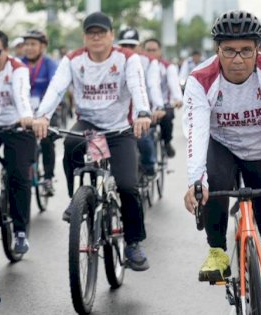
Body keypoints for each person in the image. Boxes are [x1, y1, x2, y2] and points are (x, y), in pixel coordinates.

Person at [182, 11, 261, 315]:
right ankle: (217, 251)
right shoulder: (200, 79)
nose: (237, 59)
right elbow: (196, 133)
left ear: (258, 50)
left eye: (246, 51)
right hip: (222, 148)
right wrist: (194, 181)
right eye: (229, 50)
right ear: (217, 50)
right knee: (211, 185)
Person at [32, 11, 152, 271]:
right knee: (69, 145)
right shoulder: (73, 60)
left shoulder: (127, 59)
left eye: (101, 32)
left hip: (120, 129)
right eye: (90, 33)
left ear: (111, 35)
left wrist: (143, 112)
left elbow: (137, 87)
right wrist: (42, 116)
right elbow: (56, 88)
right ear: (85, 37)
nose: (96, 37)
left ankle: (133, 243)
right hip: (89, 127)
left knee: (127, 185)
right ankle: (76, 199)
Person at [0, 29, 35, 253]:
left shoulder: (18, 69)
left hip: (17, 126)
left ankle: (20, 231)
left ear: (6, 51)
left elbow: (21, 95)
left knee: (19, 175)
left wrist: (26, 116)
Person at [117, 28, 164, 177]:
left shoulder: (150, 62)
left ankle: (149, 166)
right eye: (124, 46)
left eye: (131, 46)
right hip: (117, 115)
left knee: (143, 137)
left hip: (140, 111)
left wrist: (157, 106)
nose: (127, 49)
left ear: (139, 47)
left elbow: (153, 85)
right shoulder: (111, 61)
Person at [21, 30, 58, 196]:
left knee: (46, 139)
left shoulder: (50, 64)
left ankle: (48, 178)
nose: (29, 47)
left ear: (42, 46)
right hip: (25, 111)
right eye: (26, 44)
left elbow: (56, 88)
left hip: (45, 111)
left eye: (33, 44)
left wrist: (45, 114)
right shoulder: (18, 63)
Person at [143, 38, 183, 158]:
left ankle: (166, 142)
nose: (151, 53)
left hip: (165, 104)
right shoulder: (138, 64)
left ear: (160, 51)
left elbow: (174, 84)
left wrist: (177, 99)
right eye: (148, 50)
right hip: (145, 106)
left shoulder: (168, 67)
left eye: (154, 50)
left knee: (167, 118)